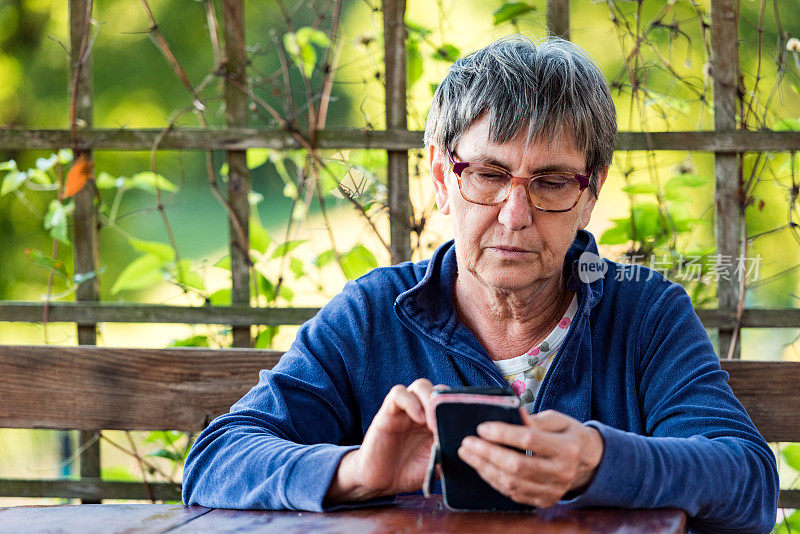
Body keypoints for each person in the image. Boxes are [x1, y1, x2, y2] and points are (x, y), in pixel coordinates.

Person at [182, 35, 778, 532]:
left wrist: (597, 461)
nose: (515, 215)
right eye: (489, 174)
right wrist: (361, 472)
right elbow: (216, 459)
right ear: (442, 177)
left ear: (590, 193)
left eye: (550, 183)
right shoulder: (374, 313)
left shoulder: (645, 312)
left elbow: (747, 482)